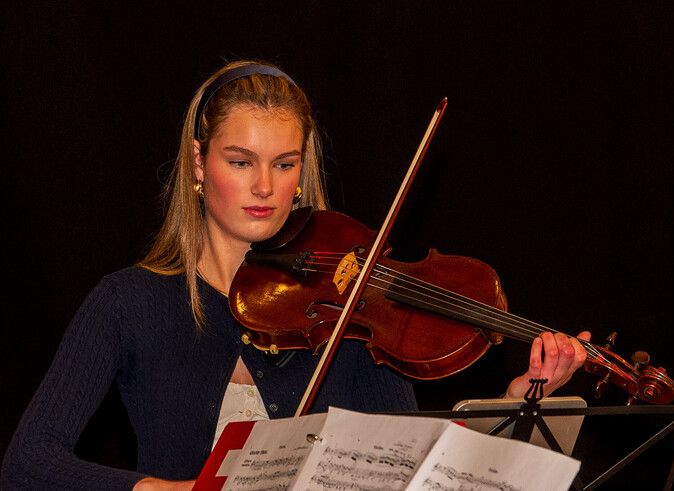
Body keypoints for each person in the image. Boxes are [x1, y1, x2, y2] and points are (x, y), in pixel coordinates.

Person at [1, 60, 590, 490]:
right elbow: (27, 462)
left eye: (284, 165)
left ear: (301, 173)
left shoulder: (351, 307)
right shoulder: (130, 303)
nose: (264, 187)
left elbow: (414, 465)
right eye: (241, 162)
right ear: (200, 165)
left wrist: (515, 410)